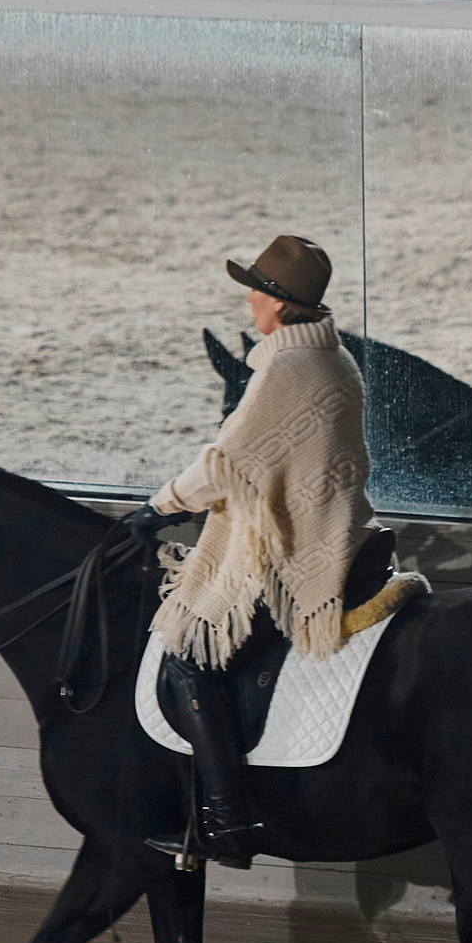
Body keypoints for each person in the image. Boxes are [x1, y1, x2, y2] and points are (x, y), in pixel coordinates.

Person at [125, 235, 373, 869]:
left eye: (256, 288)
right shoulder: (335, 359)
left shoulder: (286, 371)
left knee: (187, 655)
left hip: (297, 553)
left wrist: (159, 506)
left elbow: (224, 465)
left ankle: (228, 822)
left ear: (278, 302)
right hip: (345, 529)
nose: (248, 297)